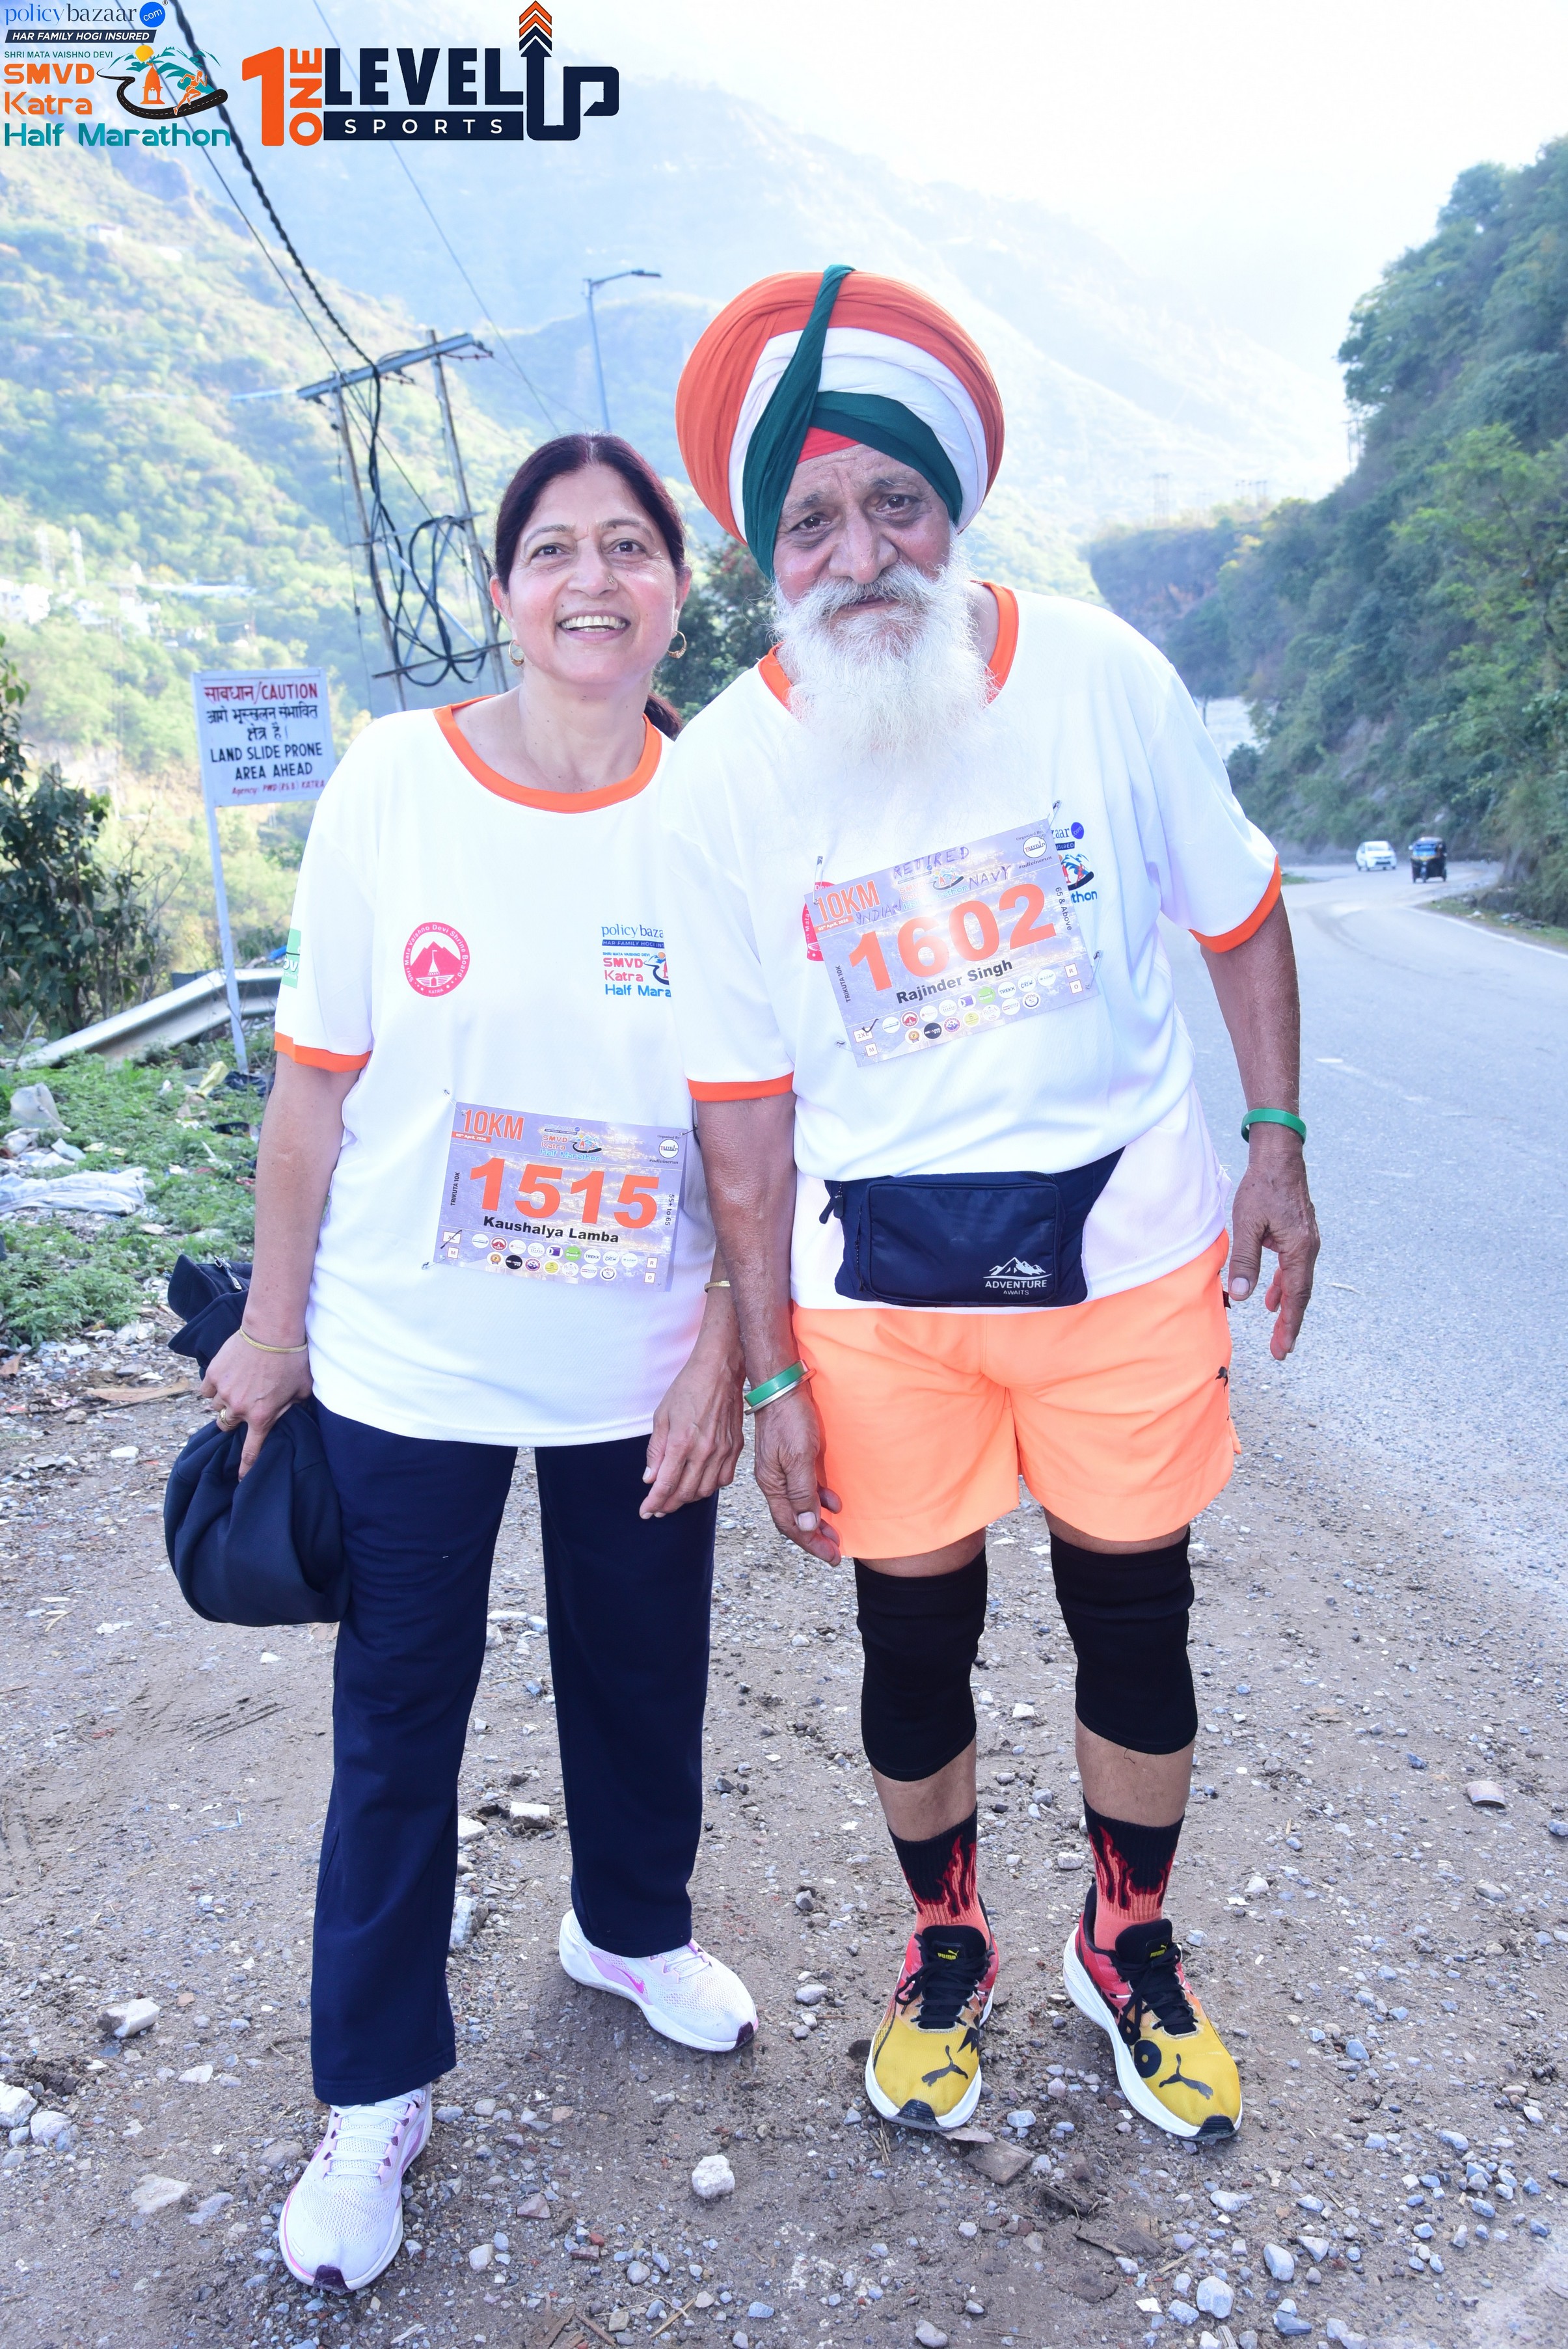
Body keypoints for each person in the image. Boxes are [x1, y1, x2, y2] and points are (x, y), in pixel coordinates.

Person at [660, 267, 1320, 2145]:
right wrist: (768, 1373)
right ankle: (944, 1944)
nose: (860, 551)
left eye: (895, 501)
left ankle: (1130, 1940)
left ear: (953, 506)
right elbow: (739, 1115)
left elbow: (1237, 909)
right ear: (761, 555)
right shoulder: (722, 777)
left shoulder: (1101, 677)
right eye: (810, 519)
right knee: (910, 1640)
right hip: (879, 1302)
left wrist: (1274, 1139)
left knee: (1135, 1620)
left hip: (1126, 1259)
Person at [202, 433, 755, 2296]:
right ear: (504, 588)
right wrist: (274, 1327)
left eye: (630, 546)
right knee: (395, 1729)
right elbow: (309, 1096)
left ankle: (630, 1928)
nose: (593, 580)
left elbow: (763, 1127)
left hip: (635, 1359)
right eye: (554, 550)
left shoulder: (722, 812)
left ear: (674, 585)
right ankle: (373, 2095)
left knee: (644, 1673)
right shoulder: (392, 782)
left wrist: (727, 1350)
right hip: (409, 1359)